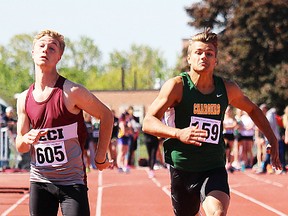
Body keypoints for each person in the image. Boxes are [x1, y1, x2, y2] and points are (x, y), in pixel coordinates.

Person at [142, 28, 281, 216]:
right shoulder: (177, 87)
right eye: (198, 53)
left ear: (216, 60)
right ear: (189, 58)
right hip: (182, 167)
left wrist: (272, 139)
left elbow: (253, 109)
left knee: (217, 213)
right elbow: (148, 122)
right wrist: (179, 133)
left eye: (209, 53)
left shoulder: (227, 89)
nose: (203, 57)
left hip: (213, 166)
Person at [15, 29, 113, 216]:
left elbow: (106, 115)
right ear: (33, 52)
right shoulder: (24, 98)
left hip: (72, 182)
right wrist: (27, 138)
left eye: (52, 48)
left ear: (59, 57)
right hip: (40, 181)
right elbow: (20, 146)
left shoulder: (71, 91)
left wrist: (100, 157)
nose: (45, 50)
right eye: (41, 46)